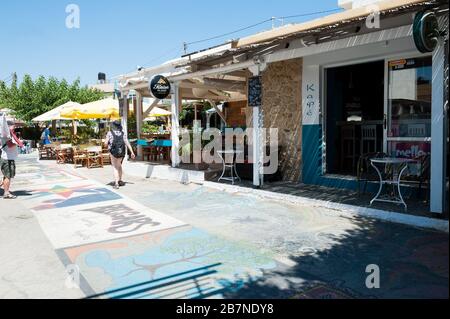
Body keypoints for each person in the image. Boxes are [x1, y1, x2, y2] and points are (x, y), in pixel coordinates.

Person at [104, 120, 135, 189]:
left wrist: (106, 144)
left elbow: (105, 143)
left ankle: (116, 183)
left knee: (115, 167)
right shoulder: (123, 133)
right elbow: (127, 143)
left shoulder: (110, 133)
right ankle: (120, 180)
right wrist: (132, 152)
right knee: (119, 165)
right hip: (121, 152)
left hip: (113, 152)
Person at [0, 122, 23, 199]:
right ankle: (6, 193)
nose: (15, 127)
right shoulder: (6, 135)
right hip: (7, 159)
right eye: (13, 126)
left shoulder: (7, 134)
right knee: (8, 176)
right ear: (8, 127)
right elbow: (10, 145)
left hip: (8, 158)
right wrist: (18, 143)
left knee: (6, 176)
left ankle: (5, 189)